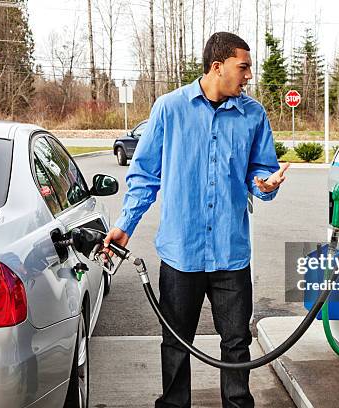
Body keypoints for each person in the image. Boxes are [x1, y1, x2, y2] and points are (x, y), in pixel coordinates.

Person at [104, 32, 290, 408]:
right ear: (217, 66)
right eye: (244, 67)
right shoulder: (169, 109)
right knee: (175, 342)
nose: (249, 75)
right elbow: (144, 177)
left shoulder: (253, 115)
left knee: (236, 344)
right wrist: (125, 225)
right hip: (180, 252)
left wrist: (265, 185)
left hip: (230, 253)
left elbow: (261, 173)